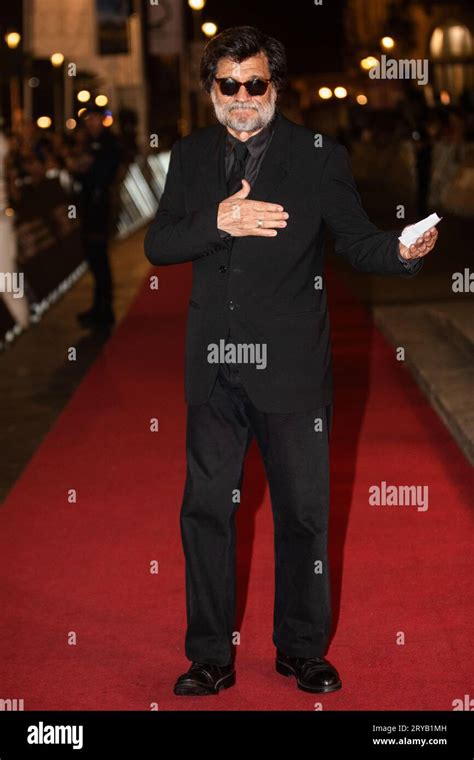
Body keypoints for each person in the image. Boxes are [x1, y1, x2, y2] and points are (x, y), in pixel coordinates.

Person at [144, 26, 438, 696]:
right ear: (210, 89)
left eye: (255, 84)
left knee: (304, 513)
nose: (242, 98)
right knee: (207, 510)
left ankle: (302, 650)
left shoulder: (316, 155)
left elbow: (356, 240)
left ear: (274, 85)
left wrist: (398, 252)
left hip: (293, 367)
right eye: (229, 85)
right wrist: (219, 220)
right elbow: (159, 245)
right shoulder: (190, 157)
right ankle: (210, 656)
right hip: (214, 365)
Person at [73, 105, 122, 328]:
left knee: (99, 259)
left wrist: (85, 170)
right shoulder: (92, 143)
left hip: (100, 209)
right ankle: (99, 307)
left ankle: (105, 309)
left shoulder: (108, 143)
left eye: (94, 119)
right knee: (95, 259)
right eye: (88, 120)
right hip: (92, 207)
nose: (90, 124)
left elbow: (101, 174)